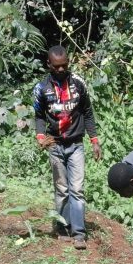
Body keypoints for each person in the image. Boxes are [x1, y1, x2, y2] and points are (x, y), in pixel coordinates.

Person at [33, 45, 102, 250]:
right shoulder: (41, 89)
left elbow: (88, 112)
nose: (61, 70)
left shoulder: (79, 83)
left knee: (77, 189)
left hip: (76, 145)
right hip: (54, 145)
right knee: (61, 189)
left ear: (68, 63)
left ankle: (79, 233)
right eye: (57, 67)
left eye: (64, 66)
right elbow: (38, 116)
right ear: (49, 65)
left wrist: (95, 140)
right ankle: (63, 228)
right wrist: (40, 137)